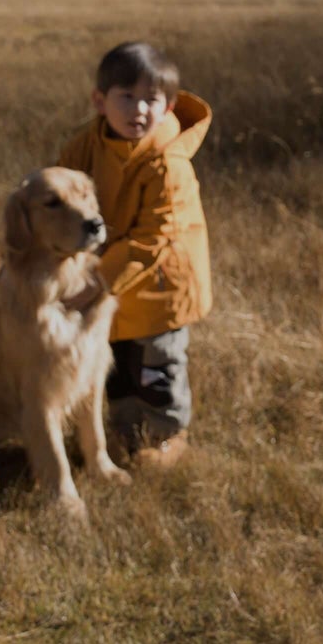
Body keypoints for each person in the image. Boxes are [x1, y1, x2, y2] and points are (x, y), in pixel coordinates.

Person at [55, 42, 212, 468]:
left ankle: (164, 435)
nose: (139, 109)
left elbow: (152, 238)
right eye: (127, 96)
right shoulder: (85, 146)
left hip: (161, 285)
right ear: (100, 101)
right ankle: (126, 430)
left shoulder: (167, 163)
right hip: (109, 279)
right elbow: (64, 195)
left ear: (169, 106)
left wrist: (98, 282)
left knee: (155, 364)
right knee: (117, 360)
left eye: (151, 99)